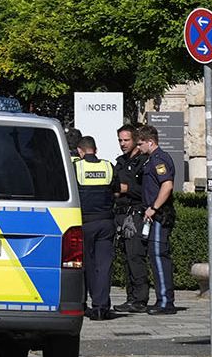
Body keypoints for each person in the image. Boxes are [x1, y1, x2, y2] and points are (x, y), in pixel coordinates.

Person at [136, 124, 180, 315]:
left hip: (160, 215)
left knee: (159, 257)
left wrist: (154, 208)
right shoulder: (151, 159)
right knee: (155, 257)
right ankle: (162, 299)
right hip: (154, 214)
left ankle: (165, 302)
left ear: (150, 142)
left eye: (140, 143)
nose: (139, 147)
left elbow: (167, 185)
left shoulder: (159, 159)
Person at [73, 136, 118, 320]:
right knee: (104, 266)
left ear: (80, 151)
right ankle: (101, 307)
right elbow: (116, 190)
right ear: (95, 149)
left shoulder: (76, 167)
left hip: (84, 223)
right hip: (106, 222)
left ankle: (84, 304)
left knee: (85, 266)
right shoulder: (108, 166)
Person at [113, 124, 151, 313]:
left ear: (135, 140)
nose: (122, 144)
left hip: (136, 213)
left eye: (126, 140)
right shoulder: (120, 161)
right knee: (127, 258)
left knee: (136, 256)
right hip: (121, 213)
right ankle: (131, 298)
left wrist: (128, 189)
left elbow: (148, 191)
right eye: (120, 140)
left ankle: (140, 299)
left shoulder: (144, 162)